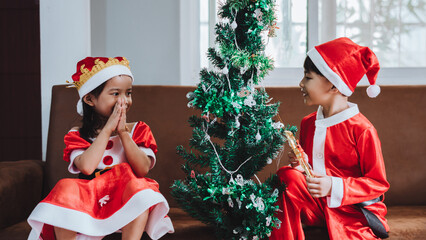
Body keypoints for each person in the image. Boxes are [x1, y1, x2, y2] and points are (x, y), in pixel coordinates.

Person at [27, 57, 174, 240]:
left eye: (128, 93)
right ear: (90, 99)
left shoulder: (138, 129)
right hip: (90, 200)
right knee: (65, 186)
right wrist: (107, 130)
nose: (124, 101)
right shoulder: (77, 134)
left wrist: (123, 133)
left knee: (137, 182)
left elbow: (142, 169)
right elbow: (87, 167)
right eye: (115, 94)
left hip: (125, 200)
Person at [270, 37, 390, 240]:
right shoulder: (308, 123)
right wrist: (301, 166)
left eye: (308, 77)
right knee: (286, 175)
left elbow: (377, 183)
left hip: (352, 212)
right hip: (318, 206)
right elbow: (313, 174)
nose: (301, 83)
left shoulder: (363, 130)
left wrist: (333, 186)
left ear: (334, 85)